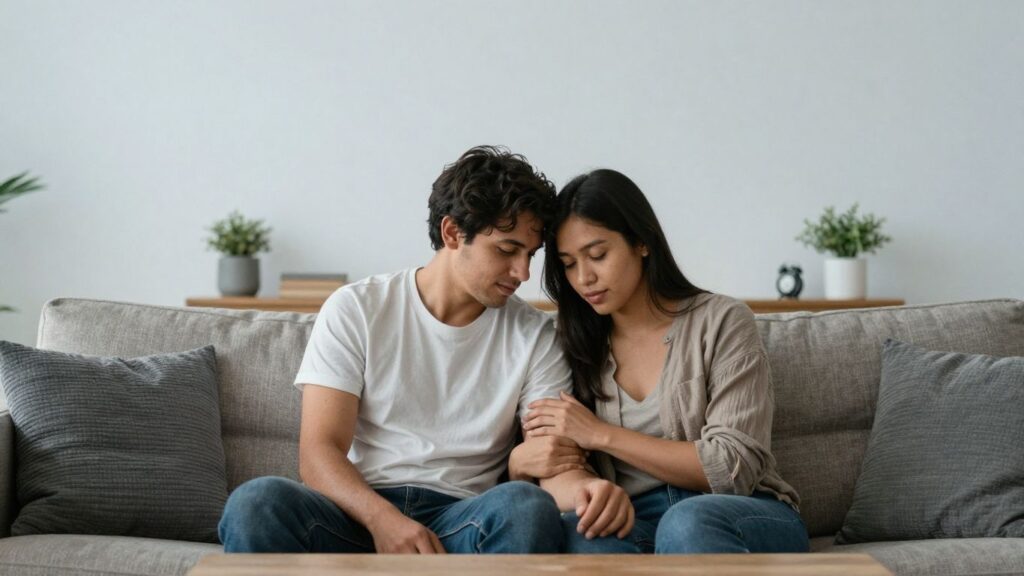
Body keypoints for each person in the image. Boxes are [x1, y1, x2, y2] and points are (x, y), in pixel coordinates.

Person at [219, 146, 598, 554]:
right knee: (256, 502)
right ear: (452, 233)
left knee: (525, 507)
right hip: (358, 513)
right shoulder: (358, 308)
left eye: (530, 255)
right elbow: (318, 452)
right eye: (506, 251)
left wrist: (586, 490)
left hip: (463, 519)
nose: (522, 273)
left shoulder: (536, 335)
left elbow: (551, 456)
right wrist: (384, 520)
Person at [510, 169, 809, 554]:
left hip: (739, 511)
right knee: (580, 537)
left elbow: (732, 467)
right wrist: (588, 493)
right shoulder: (572, 343)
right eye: (568, 263)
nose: (584, 277)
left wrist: (602, 434)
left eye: (598, 254)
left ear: (642, 243)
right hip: (636, 517)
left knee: (686, 524)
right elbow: (555, 463)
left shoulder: (721, 321)